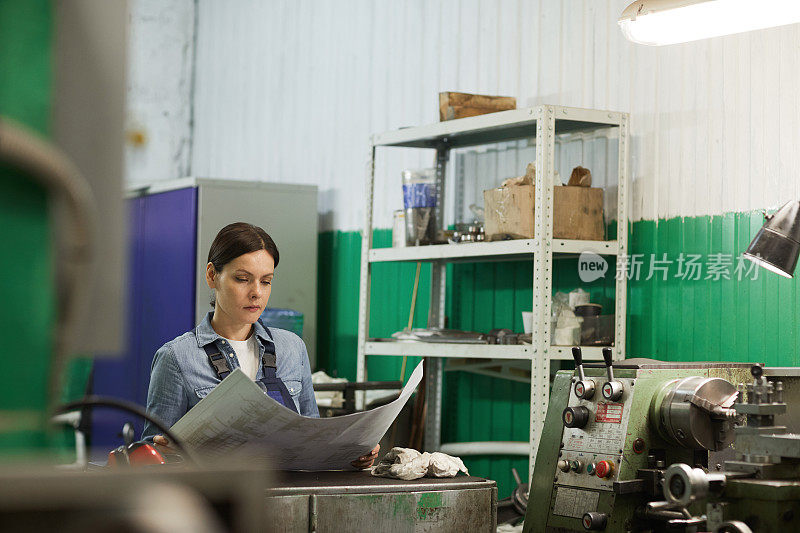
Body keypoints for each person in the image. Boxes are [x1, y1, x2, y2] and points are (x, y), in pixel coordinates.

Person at [142, 222, 379, 469]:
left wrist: (348, 454)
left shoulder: (292, 348)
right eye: (243, 279)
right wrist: (176, 455)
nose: (256, 293)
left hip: (289, 500)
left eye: (266, 281)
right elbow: (150, 456)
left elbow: (314, 439)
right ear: (212, 275)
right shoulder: (177, 357)